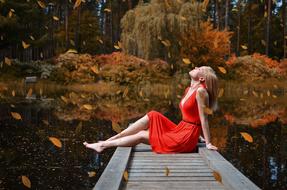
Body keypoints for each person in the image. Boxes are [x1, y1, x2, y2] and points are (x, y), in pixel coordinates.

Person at [83, 66, 218, 153]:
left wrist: (208, 143)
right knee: (153, 114)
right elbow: (193, 116)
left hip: (185, 138)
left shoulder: (201, 92)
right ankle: (110, 139)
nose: (195, 66)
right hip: (182, 129)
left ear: (201, 78)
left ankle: (103, 145)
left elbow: (203, 118)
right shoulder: (189, 89)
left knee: (142, 135)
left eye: (200, 68)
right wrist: (198, 135)